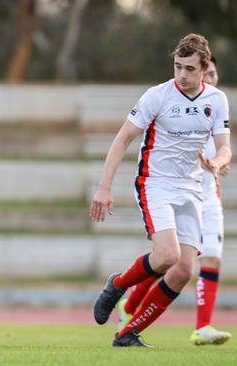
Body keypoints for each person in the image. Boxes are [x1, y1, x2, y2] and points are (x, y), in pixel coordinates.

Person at [90, 33, 231, 347]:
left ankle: (127, 334)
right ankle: (117, 286)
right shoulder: (158, 95)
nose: (182, 74)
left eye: (190, 69)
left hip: (192, 189)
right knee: (167, 255)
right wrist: (104, 188)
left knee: (182, 271)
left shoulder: (217, 100)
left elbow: (225, 148)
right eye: (178, 66)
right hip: (155, 183)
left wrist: (216, 162)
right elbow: (122, 139)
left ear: (204, 68)